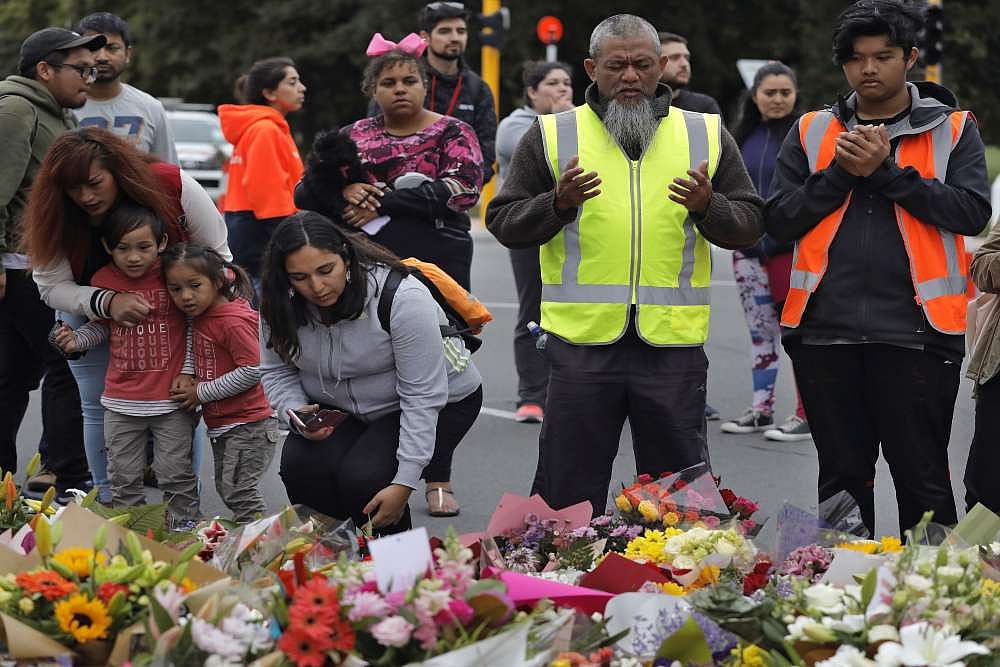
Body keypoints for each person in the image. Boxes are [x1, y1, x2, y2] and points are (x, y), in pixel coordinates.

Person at [487, 14, 763, 515]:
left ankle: (680, 588)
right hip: (581, 347)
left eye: (642, 64)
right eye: (616, 65)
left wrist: (709, 207)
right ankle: (559, 586)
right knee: (566, 491)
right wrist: (557, 203)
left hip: (672, 345)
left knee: (679, 497)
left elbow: (749, 222)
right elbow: (503, 221)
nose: (630, 77)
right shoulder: (552, 135)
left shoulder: (704, 132)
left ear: (662, 67)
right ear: (592, 68)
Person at [765, 0, 991, 535]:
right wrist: (842, 175)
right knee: (840, 480)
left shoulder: (954, 129)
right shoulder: (812, 130)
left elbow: (971, 211)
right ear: (842, 64)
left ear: (909, 57)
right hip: (824, 333)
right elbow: (776, 220)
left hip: (919, 335)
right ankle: (834, 600)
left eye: (883, 56)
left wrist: (887, 173)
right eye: (857, 58)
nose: (869, 69)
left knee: (923, 478)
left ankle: (933, 599)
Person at [25, 126, 230, 503]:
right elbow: (51, 286)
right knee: (96, 404)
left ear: (117, 170)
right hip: (88, 310)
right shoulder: (55, 209)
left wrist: (201, 311)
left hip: (176, 315)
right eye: (73, 188)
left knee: (183, 402)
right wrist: (108, 302)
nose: (85, 197)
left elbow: (220, 257)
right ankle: (109, 501)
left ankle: (183, 507)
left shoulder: (171, 184)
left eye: (93, 183)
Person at [259, 212, 482, 530]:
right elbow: (275, 370)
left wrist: (404, 483)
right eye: (300, 277)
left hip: (438, 399)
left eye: (326, 270)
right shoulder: (277, 303)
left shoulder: (402, 297)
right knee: (302, 468)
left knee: (368, 481)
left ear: (346, 258)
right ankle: (335, 566)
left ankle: (401, 574)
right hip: (341, 404)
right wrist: (294, 411)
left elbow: (422, 395)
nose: (317, 287)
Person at [0, 27, 105, 499]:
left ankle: (9, 477)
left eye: (94, 69)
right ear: (45, 70)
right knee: (68, 358)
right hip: (23, 266)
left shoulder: (51, 113)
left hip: (34, 263)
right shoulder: (17, 110)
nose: (90, 77)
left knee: (12, 373)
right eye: (80, 69)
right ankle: (62, 474)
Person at [53, 203, 199, 525]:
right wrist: (77, 340)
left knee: (176, 476)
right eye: (123, 248)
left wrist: (189, 372)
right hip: (121, 403)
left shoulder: (174, 275)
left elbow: (194, 329)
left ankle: (183, 533)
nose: (134, 257)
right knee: (123, 478)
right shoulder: (103, 280)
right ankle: (133, 536)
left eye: (144, 247)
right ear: (108, 247)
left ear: (161, 244)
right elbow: (101, 326)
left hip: (170, 402)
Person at [296, 40, 482, 290]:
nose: (399, 89)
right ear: (373, 90)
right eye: (388, 83)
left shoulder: (452, 131)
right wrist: (342, 191)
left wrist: (382, 205)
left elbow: (463, 190)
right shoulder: (352, 135)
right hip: (364, 261)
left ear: (425, 86)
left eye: (409, 81)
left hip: (438, 257)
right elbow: (302, 193)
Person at [720, 62, 811, 443]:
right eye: (769, 93)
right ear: (755, 96)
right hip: (747, 252)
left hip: (790, 252)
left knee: (797, 336)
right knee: (761, 336)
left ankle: (806, 414)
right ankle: (761, 409)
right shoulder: (742, 136)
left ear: (795, 95)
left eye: (784, 93)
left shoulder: (805, 135)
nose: (777, 100)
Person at [163, 243, 277, 523]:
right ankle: (252, 542)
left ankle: (261, 544)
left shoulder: (232, 321)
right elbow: (194, 346)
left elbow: (253, 368)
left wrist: (201, 392)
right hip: (227, 423)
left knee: (239, 492)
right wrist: (188, 373)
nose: (185, 296)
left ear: (217, 282)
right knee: (230, 489)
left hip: (250, 424)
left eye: (194, 285)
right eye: (175, 289)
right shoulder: (201, 316)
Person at [496, 60, 574, 423]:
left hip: (570, 228)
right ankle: (531, 395)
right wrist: (562, 120)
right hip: (528, 227)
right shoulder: (515, 126)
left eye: (567, 83)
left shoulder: (579, 122)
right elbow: (548, 159)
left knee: (573, 310)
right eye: (552, 83)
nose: (562, 89)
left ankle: (569, 390)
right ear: (532, 92)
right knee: (533, 309)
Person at [369, 2, 496, 185]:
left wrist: (462, 184)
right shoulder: (402, 79)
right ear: (425, 37)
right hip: (396, 191)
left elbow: (486, 151)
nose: (454, 38)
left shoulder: (479, 89)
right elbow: (376, 134)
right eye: (444, 31)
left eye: (461, 31)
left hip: (453, 196)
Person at [219, 57, 305, 285]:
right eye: (293, 82)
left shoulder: (265, 127)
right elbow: (267, 191)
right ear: (269, 93)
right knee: (260, 300)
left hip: (250, 225)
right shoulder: (265, 129)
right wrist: (291, 238)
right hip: (261, 229)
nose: (301, 88)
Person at [73, 12, 177, 163]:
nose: (102, 57)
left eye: (112, 48)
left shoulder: (151, 108)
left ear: (128, 54)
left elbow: (169, 173)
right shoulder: (64, 107)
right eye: (93, 48)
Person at [658, 32, 721, 116]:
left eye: (686, 58)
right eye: (674, 57)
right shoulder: (639, 103)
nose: (684, 64)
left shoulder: (704, 106)